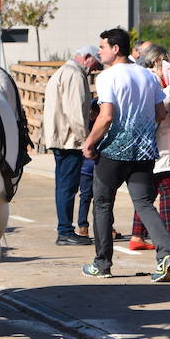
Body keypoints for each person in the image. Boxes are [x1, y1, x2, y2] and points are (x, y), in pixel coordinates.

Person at [81, 28, 170, 282]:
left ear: (115, 49)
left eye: (102, 47)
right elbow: (161, 113)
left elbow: (106, 116)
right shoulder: (148, 76)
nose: (99, 51)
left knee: (102, 204)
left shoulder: (108, 77)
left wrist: (90, 143)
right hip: (144, 152)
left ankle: (102, 264)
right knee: (145, 204)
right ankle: (165, 255)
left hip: (114, 152)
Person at [128, 45, 170, 252]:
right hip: (158, 145)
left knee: (147, 193)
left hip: (153, 144)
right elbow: (161, 100)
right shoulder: (151, 78)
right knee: (167, 190)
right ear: (158, 61)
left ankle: (138, 235)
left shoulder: (145, 77)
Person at [41, 45, 101, 245]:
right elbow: (75, 113)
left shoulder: (63, 72)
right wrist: (88, 141)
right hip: (69, 140)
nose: (94, 69)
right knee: (67, 186)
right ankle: (65, 231)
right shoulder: (74, 74)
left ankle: (65, 229)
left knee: (63, 186)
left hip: (61, 138)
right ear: (86, 57)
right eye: (95, 63)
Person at [76, 100, 100, 238]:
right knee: (86, 197)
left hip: (97, 167)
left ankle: (107, 227)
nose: (91, 115)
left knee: (102, 199)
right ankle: (83, 226)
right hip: (87, 169)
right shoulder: (86, 128)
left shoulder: (105, 126)